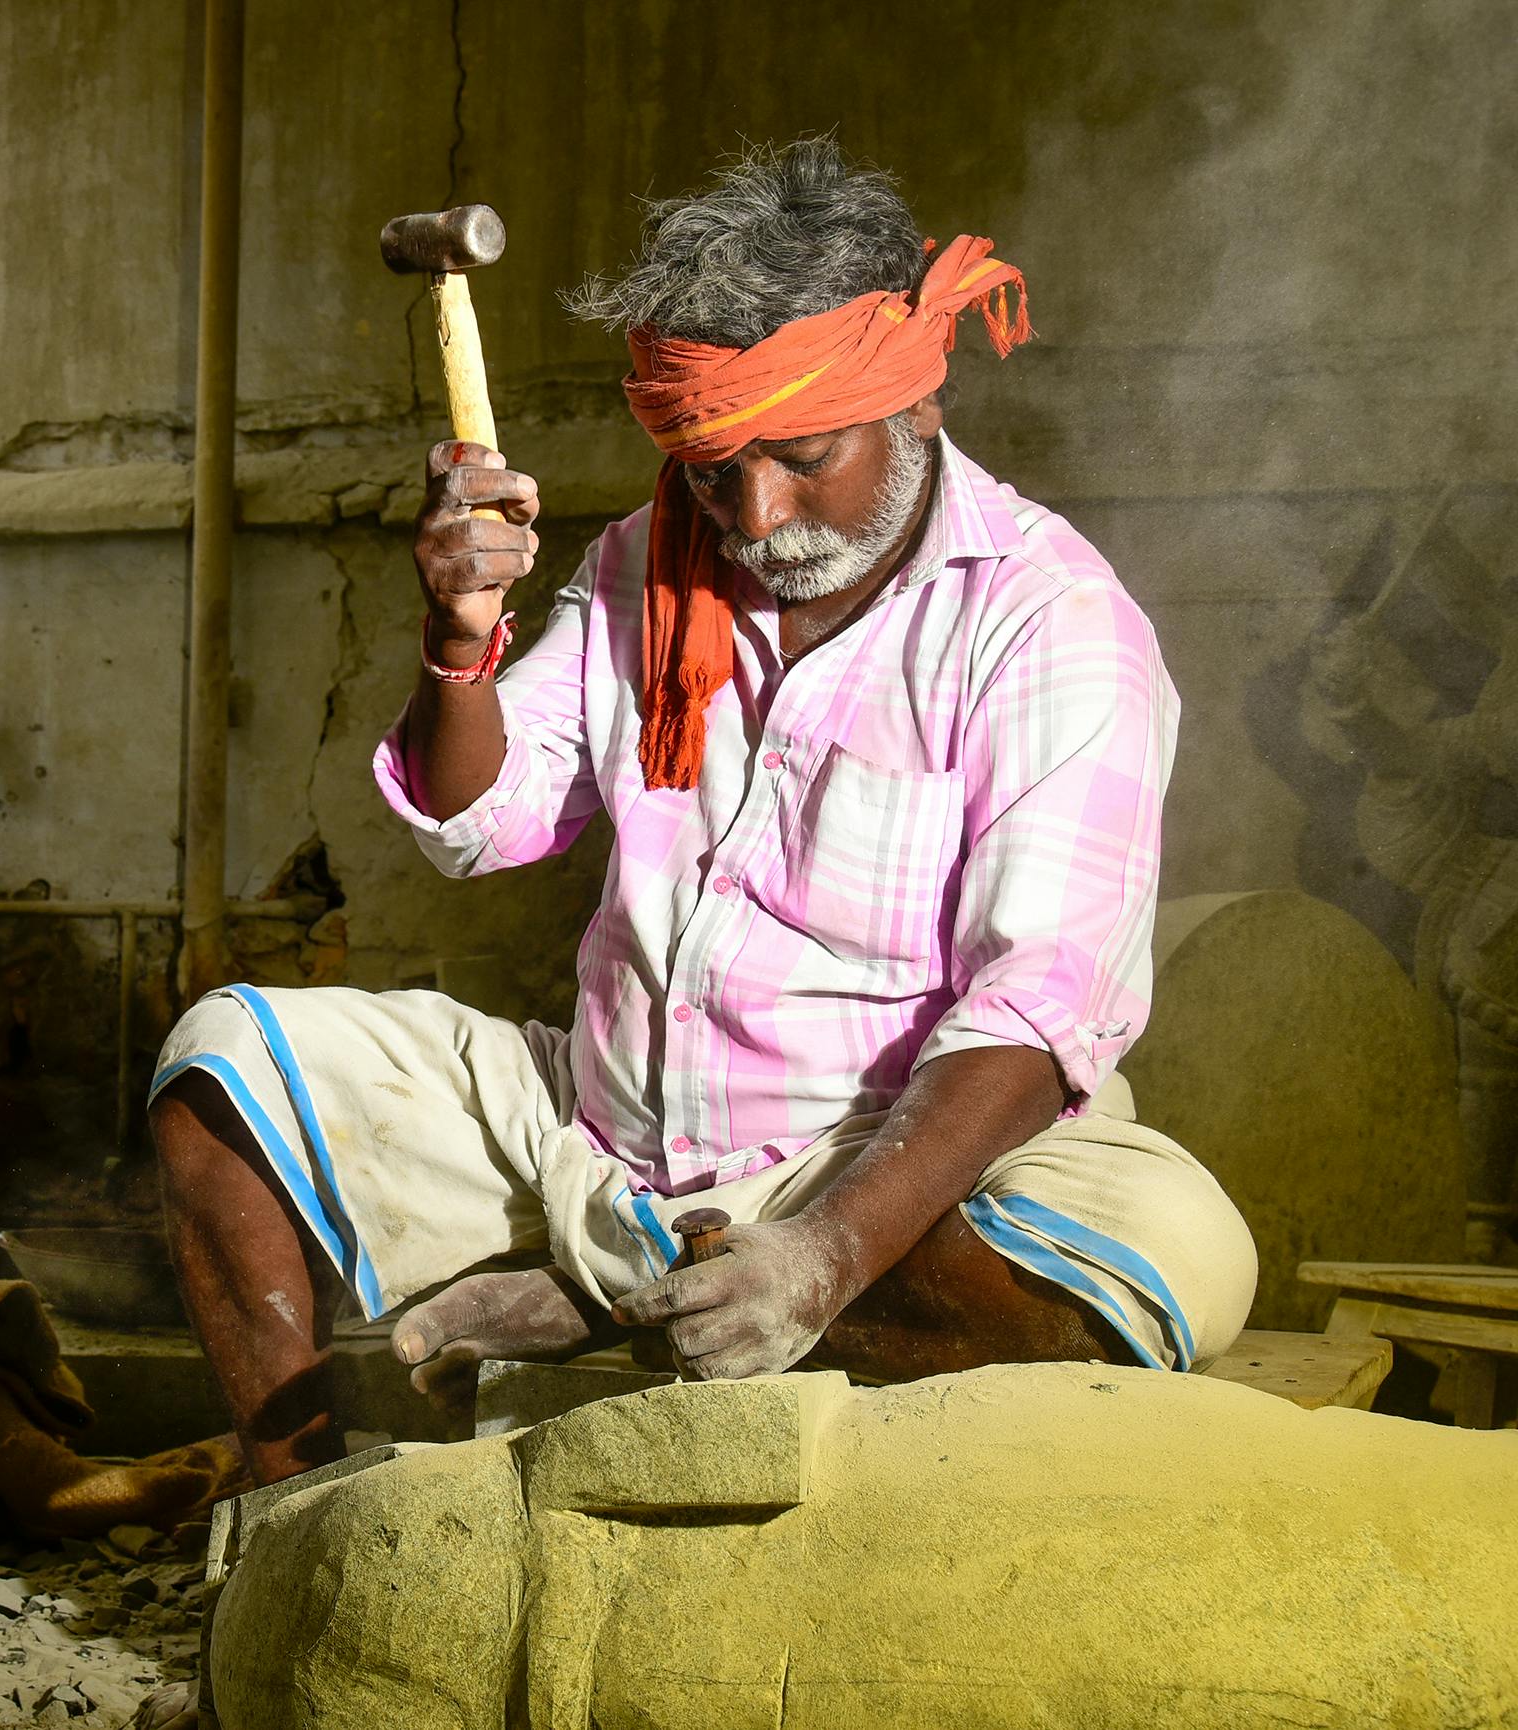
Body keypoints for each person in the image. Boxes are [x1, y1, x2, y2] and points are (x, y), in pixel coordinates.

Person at [150, 139, 1257, 1485]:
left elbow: (1033, 1020)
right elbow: (479, 818)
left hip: (871, 1167)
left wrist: (825, 1251)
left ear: (912, 399)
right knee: (221, 1072)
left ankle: (622, 1299)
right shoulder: (651, 559)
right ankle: (296, 1534)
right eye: (713, 463)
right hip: (600, 1137)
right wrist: (460, 635)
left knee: (1173, 1251)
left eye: (803, 457)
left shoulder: (1050, 623)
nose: (755, 513)